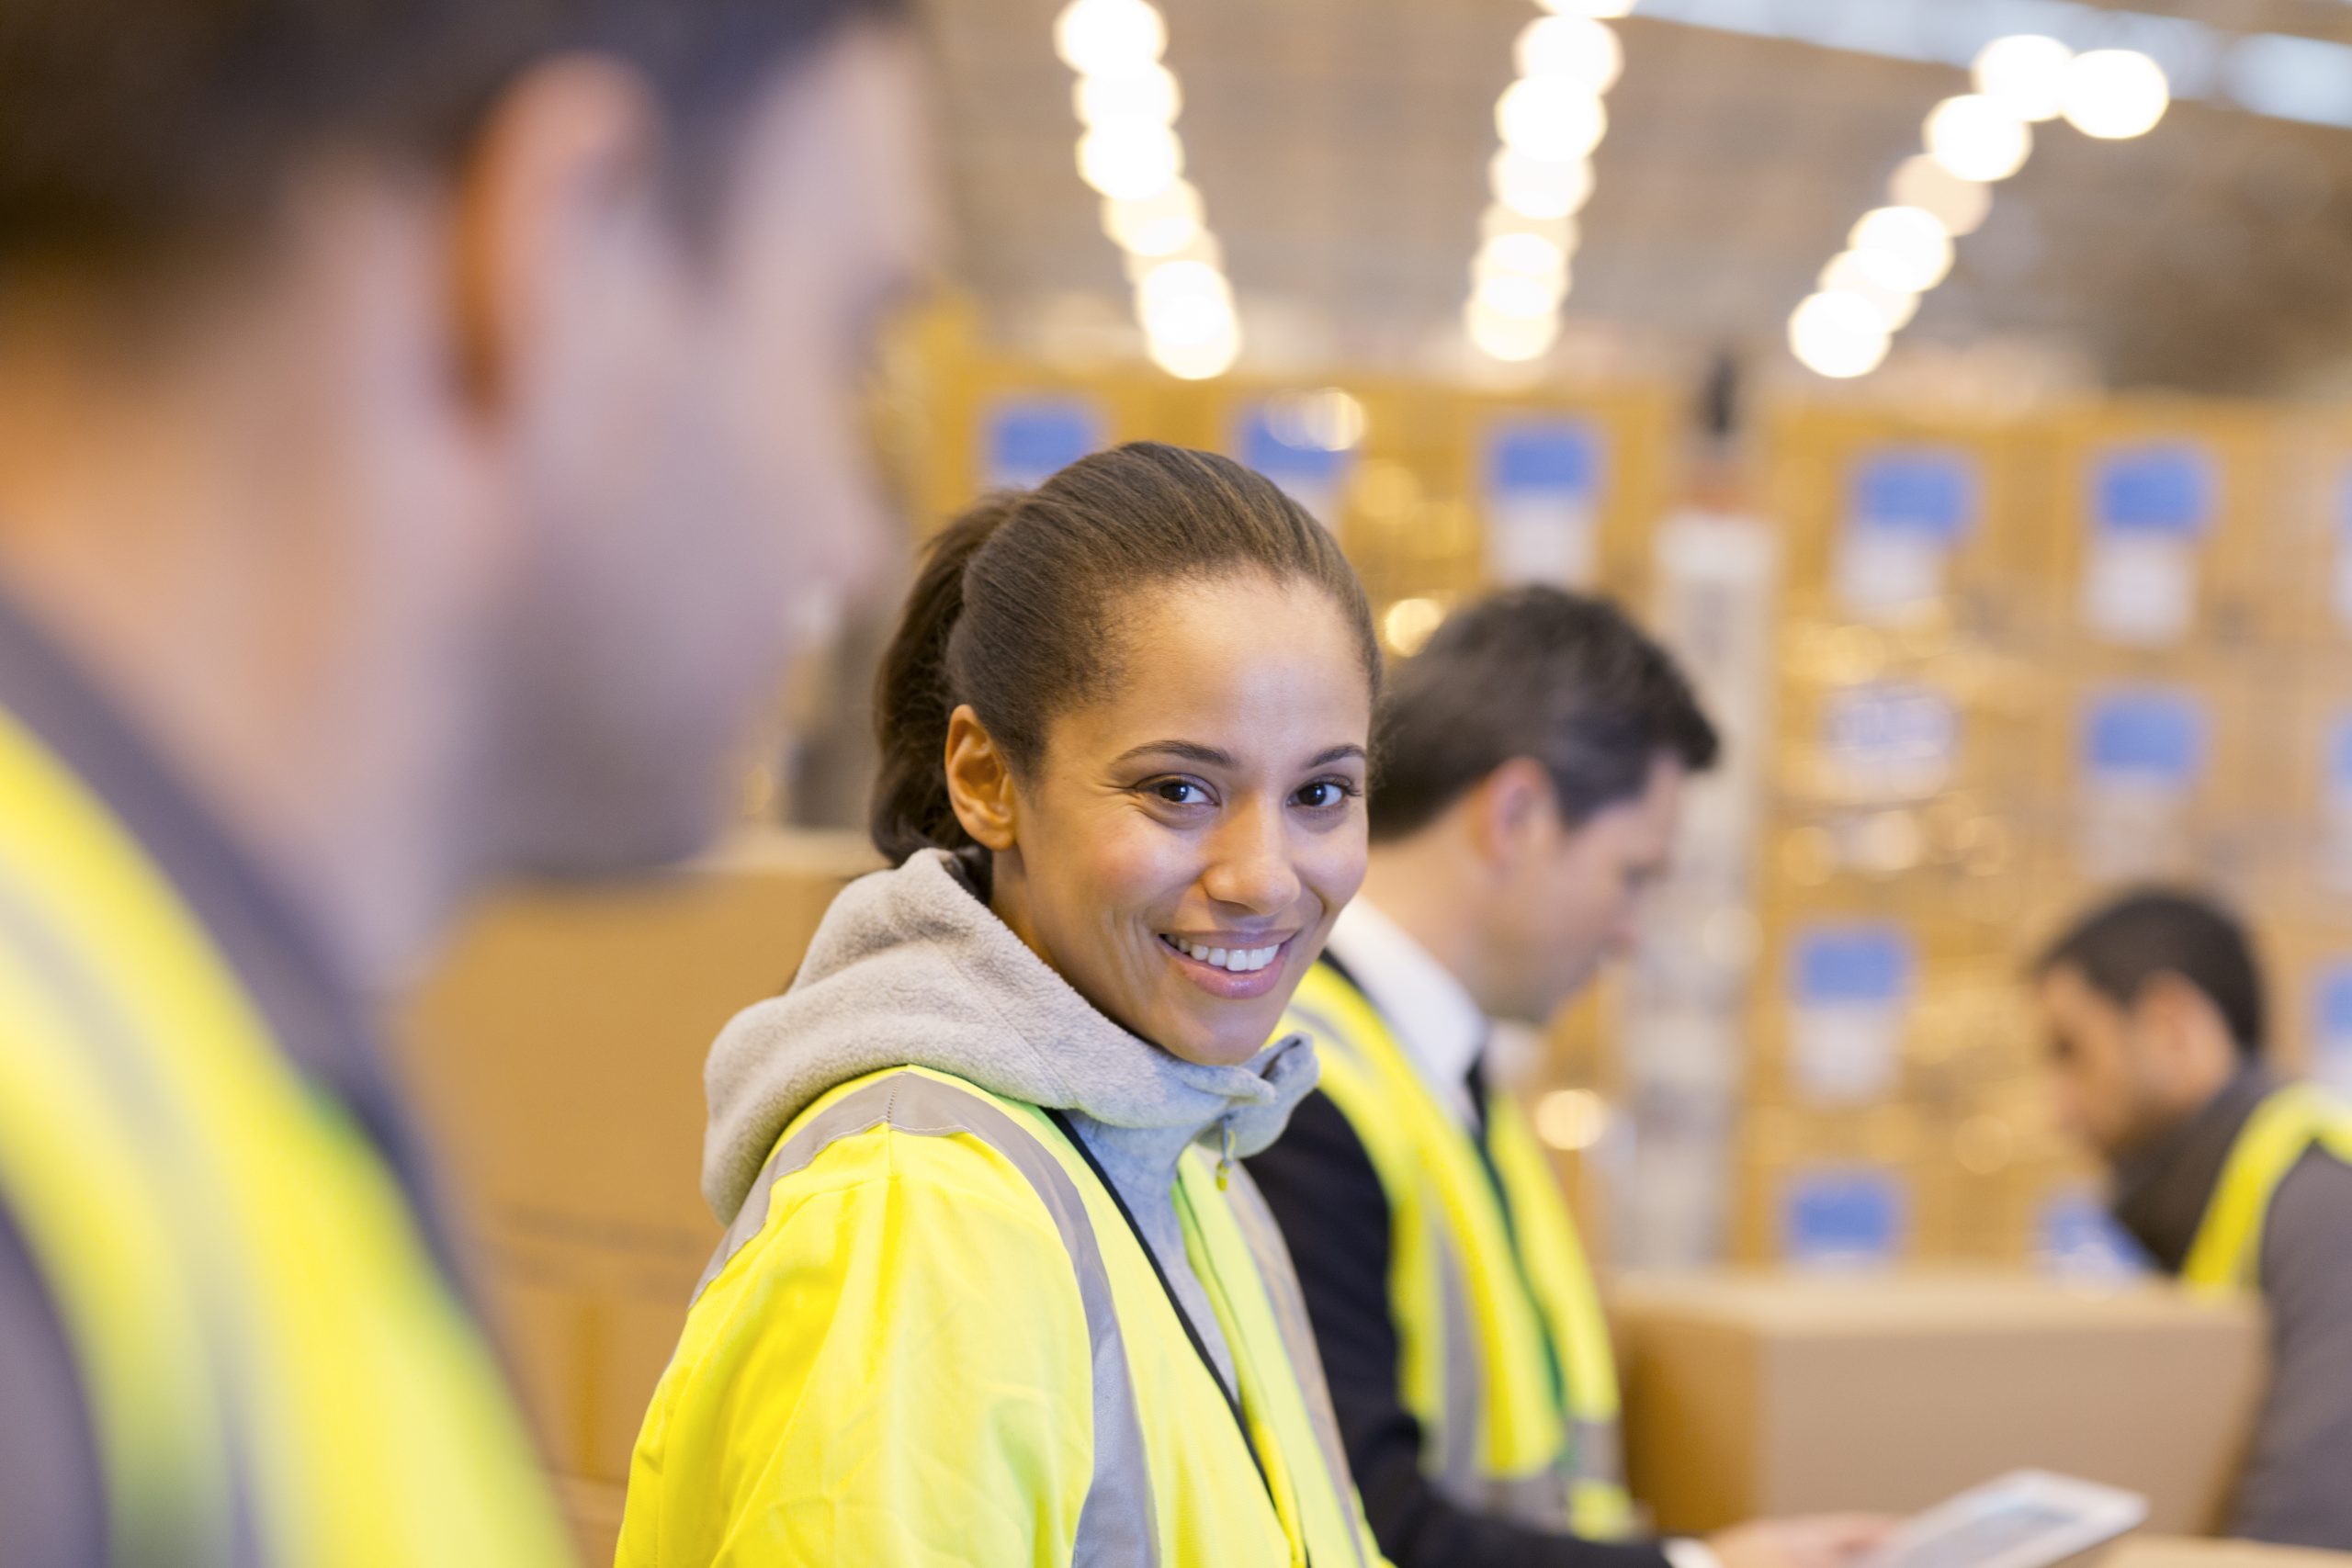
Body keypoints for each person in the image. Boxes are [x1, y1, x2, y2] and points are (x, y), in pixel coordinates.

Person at [0, 0, 931, 1561]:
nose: (854, 540)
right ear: (563, 247)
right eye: (842, 350)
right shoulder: (47, 1200)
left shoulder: (186, 1051)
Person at [619, 444, 1394, 1566]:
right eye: (1178, 790)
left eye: (1321, 793)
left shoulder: (1182, 1157)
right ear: (986, 779)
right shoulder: (921, 1218)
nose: (1265, 877)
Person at [1249, 588, 1887, 1568]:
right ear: (1515, 815)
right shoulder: (1297, 1093)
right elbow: (1366, 1523)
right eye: (1630, 875)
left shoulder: (1443, 1086)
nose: (1628, 933)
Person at [2035, 889, 2352, 1550]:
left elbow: (2307, 1530)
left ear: (2171, 1027)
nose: (2056, 1108)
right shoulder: (2216, 1193)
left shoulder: (2324, 1201)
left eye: (2070, 1050)